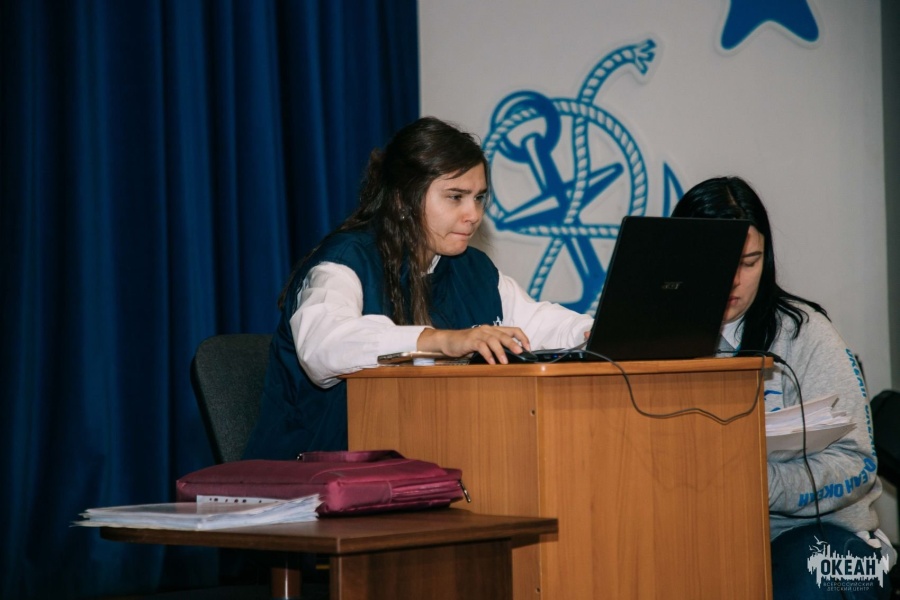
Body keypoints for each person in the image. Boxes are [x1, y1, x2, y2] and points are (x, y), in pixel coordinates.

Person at [243, 116, 593, 460]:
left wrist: (594, 332)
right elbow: (324, 349)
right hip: (312, 477)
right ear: (402, 199)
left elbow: (540, 324)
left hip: (423, 467)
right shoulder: (343, 262)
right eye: (455, 197)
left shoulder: (473, 269)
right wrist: (442, 340)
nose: (473, 214)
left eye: (479, 197)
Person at [672, 176, 895, 598]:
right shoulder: (647, 342)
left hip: (816, 536)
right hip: (694, 536)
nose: (734, 281)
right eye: (720, 263)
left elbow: (858, 465)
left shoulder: (805, 333)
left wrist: (760, 481)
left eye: (749, 262)